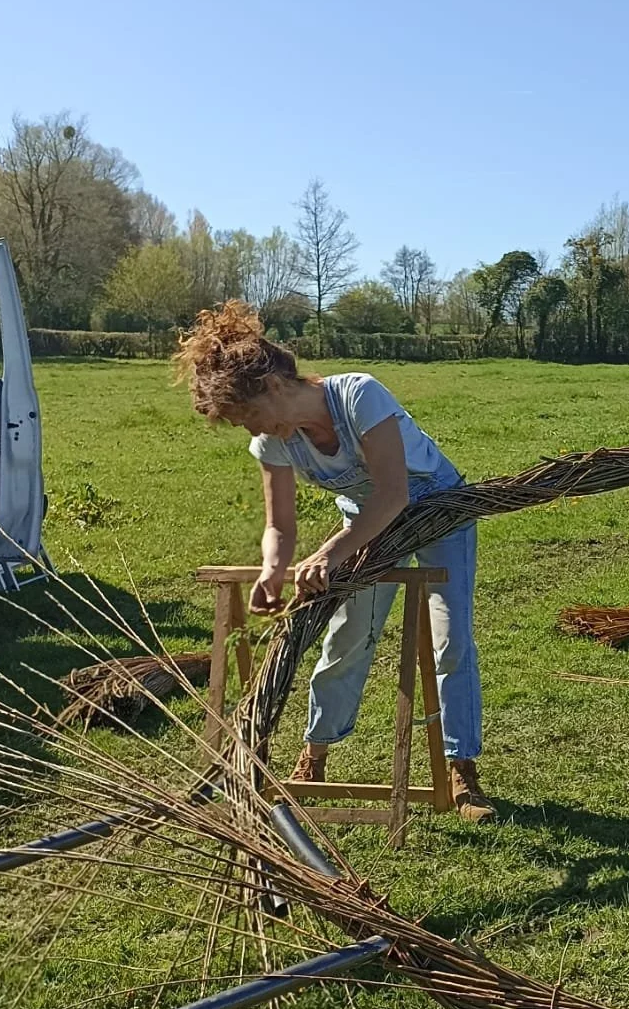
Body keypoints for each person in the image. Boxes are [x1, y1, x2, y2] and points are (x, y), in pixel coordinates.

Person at [173, 302, 493, 822]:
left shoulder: (358, 395)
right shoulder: (272, 443)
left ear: (273, 387)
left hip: (436, 508)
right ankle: (316, 754)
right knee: (347, 635)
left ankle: (462, 769)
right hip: (365, 523)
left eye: (247, 415)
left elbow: (392, 493)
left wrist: (331, 552)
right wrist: (274, 569)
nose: (250, 429)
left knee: (450, 636)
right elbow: (279, 526)